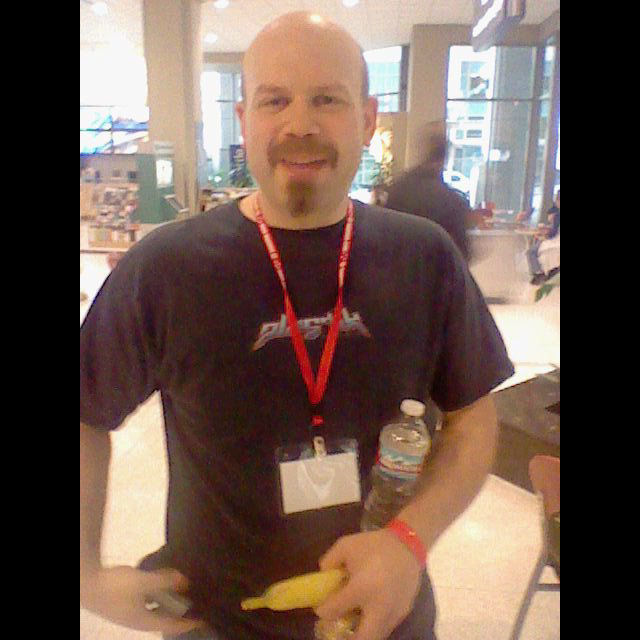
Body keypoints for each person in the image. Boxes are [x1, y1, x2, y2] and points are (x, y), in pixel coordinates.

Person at [80, 12, 514, 640]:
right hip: (216, 619)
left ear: (367, 119)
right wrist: (86, 574)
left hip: (384, 616)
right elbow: (85, 411)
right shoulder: (167, 268)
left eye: (327, 99)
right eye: (274, 100)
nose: (299, 124)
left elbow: (474, 418)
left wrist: (409, 541)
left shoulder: (426, 257)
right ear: (244, 121)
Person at [383, 124, 471, 261]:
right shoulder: (452, 201)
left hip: (399, 267)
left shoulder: (400, 188)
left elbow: (386, 236)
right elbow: (461, 254)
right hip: (433, 270)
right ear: (445, 157)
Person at [526, 190, 560, 285]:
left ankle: (538, 273)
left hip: (555, 241)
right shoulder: (556, 214)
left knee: (531, 252)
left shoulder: (557, 215)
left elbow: (553, 233)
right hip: (556, 240)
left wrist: (544, 236)